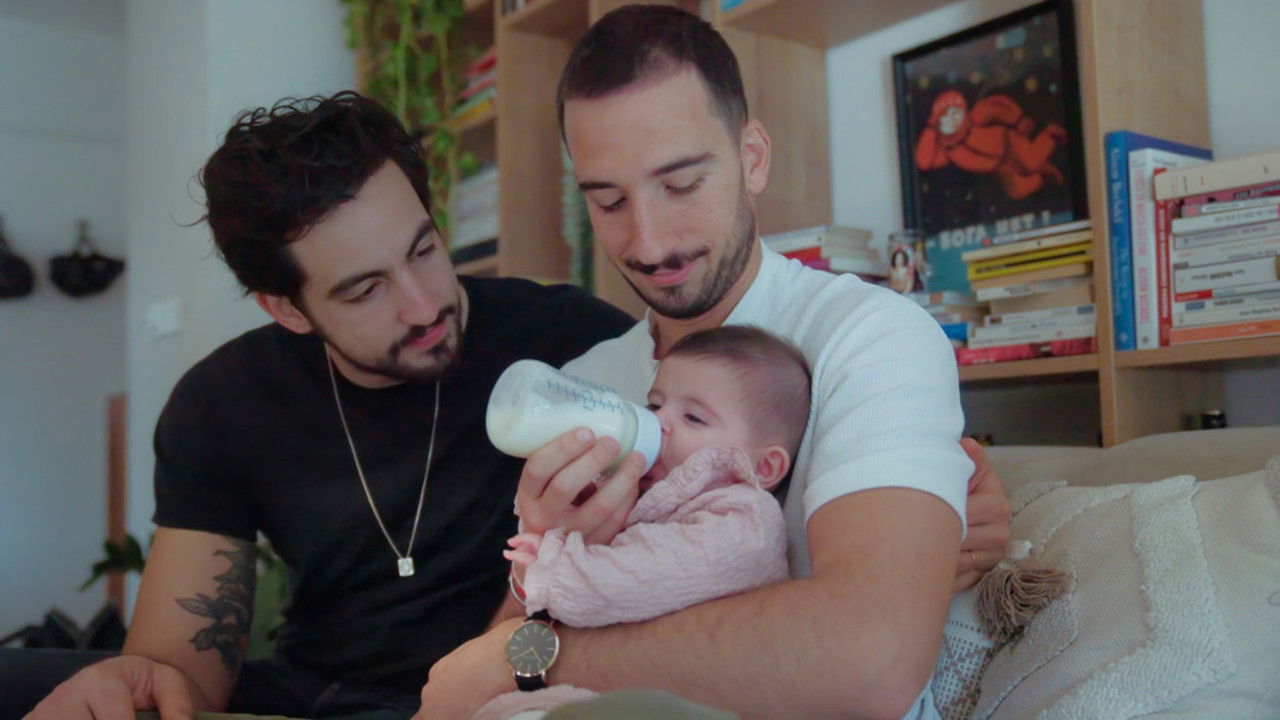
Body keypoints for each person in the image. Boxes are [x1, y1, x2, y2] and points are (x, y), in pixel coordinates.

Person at [418, 6, 1011, 720]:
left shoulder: (869, 338)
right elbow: (488, 669)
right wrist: (544, 550)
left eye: (681, 185)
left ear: (752, 158)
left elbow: (870, 661)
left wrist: (529, 662)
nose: (649, 242)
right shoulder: (591, 381)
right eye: (609, 201)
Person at [24, 93, 636, 720]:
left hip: (512, 685)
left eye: (423, 250)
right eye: (367, 290)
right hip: (315, 699)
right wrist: (135, 685)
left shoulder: (569, 337)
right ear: (287, 309)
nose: (424, 305)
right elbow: (183, 674)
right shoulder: (223, 402)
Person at [474, 325, 809, 719]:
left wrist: (551, 569)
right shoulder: (645, 496)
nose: (660, 421)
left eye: (693, 417)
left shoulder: (742, 520)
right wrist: (551, 534)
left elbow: (628, 580)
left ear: (765, 467)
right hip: (592, 687)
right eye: (654, 405)